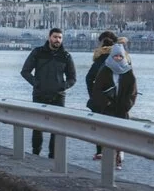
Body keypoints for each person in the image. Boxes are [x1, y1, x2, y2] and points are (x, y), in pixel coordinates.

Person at [20, 28, 76, 158]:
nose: (57, 40)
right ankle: (35, 153)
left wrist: (63, 86)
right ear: (49, 37)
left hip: (58, 96)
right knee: (37, 126)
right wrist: (37, 84)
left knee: (56, 128)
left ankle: (53, 156)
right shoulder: (38, 52)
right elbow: (25, 71)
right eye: (55, 37)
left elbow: (72, 77)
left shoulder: (66, 56)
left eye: (60, 38)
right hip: (40, 94)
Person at [88, 44, 138, 170]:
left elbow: (133, 93)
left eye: (120, 56)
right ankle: (109, 158)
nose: (117, 58)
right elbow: (97, 90)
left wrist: (127, 105)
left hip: (122, 110)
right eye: (115, 56)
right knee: (108, 135)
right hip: (108, 110)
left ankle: (118, 159)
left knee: (120, 136)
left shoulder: (128, 72)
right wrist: (106, 103)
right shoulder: (105, 70)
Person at [85, 31, 117, 160]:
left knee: (98, 127)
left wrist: (93, 95)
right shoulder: (120, 59)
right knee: (115, 127)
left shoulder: (99, 60)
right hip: (115, 99)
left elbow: (88, 79)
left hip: (99, 100)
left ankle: (99, 151)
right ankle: (116, 154)